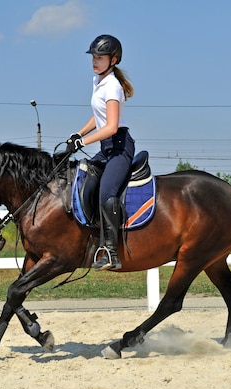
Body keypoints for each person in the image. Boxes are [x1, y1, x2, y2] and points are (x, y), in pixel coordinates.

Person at [66, 34, 135, 271]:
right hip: (106, 149)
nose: (94, 61)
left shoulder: (113, 86)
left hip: (119, 147)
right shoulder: (98, 81)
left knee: (107, 193)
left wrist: (83, 142)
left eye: (100, 57)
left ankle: (111, 253)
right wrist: (78, 133)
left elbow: (111, 126)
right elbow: (98, 117)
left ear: (113, 60)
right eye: (93, 57)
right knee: (82, 181)